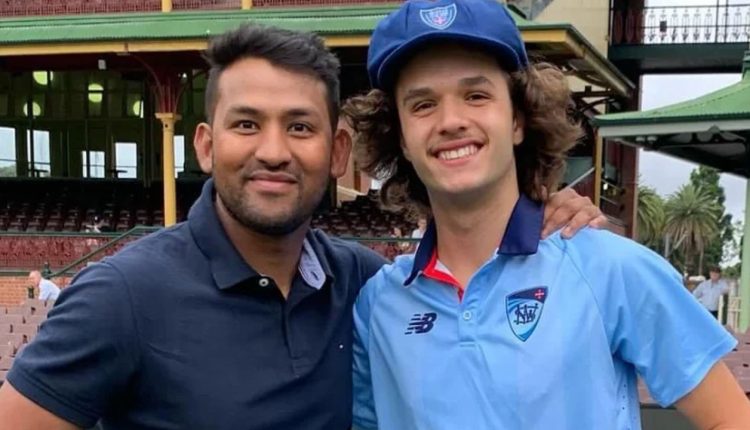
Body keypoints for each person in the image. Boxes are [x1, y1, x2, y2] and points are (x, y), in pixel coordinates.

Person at [0, 23, 602, 430]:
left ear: (337, 151)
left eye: (300, 127)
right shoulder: (123, 296)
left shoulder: (366, 285)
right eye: (246, 124)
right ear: (205, 145)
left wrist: (550, 213)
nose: (273, 151)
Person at [344, 1, 750, 429]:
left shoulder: (609, 269)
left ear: (517, 120)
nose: (451, 121)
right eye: (423, 104)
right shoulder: (379, 304)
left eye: (476, 96)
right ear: (402, 139)